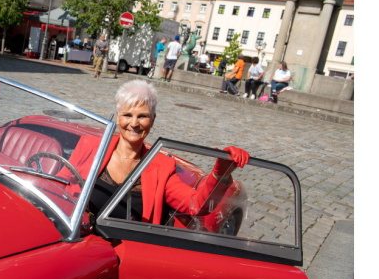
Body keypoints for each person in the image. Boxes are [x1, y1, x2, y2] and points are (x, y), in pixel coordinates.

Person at [64, 80, 250, 223]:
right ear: (118, 116)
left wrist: (221, 173)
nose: (134, 123)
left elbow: (196, 205)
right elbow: (57, 186)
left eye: (143, 116)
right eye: (128, 115)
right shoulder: (90, 146)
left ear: (153, 120)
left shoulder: (162, 166)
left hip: (127, 254)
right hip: (80, 241)